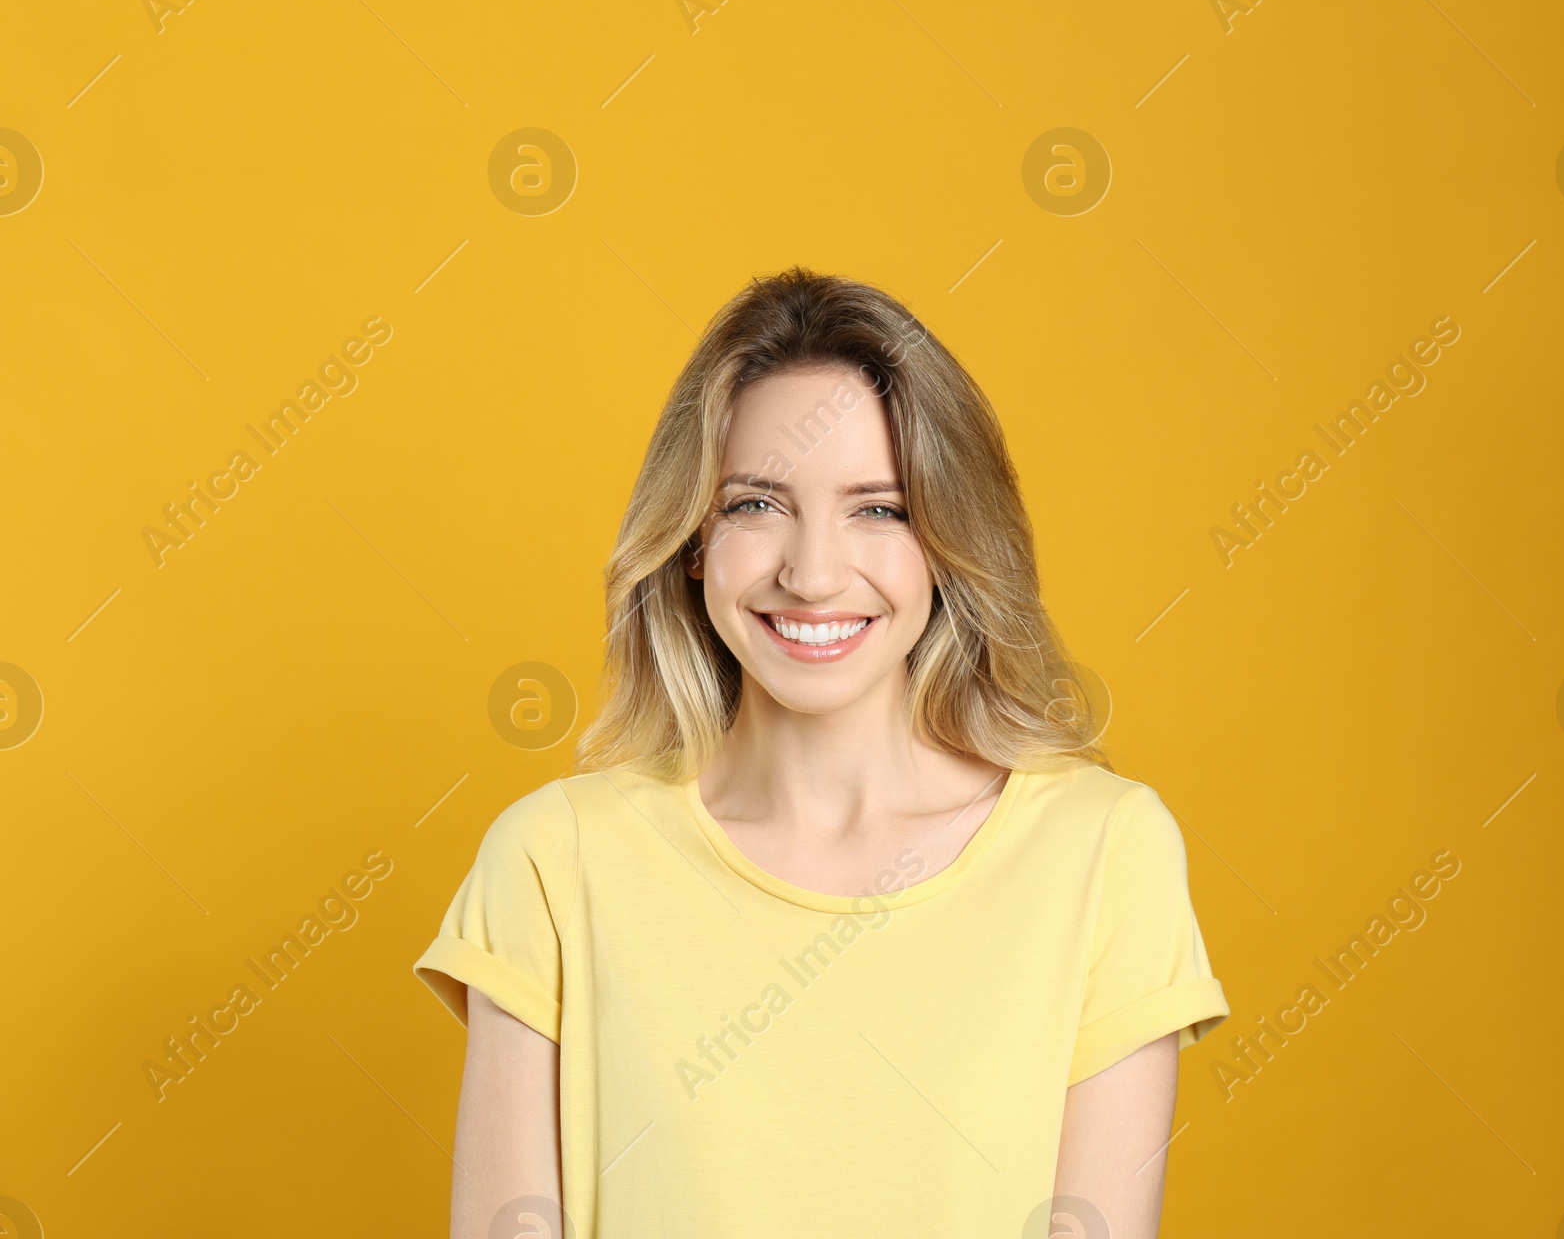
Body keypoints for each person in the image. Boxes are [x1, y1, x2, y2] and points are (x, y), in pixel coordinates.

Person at [415, 268, 1228, 1238]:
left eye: (877, 509)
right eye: (756, 504)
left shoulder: (1104, 854)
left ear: (947, 538)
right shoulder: (552, 861)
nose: (810, 574)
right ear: (693, 539)